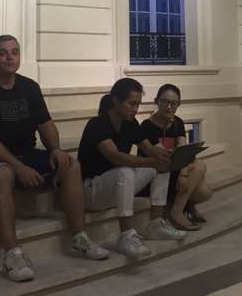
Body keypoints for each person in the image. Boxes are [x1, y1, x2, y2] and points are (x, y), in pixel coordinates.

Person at [0, 35, 108, 283]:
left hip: (25, 155)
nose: (9, 57)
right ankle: (12, 255)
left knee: (71, 164)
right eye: (2, 53)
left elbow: (45, 124)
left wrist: (56, 149)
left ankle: (80, 237)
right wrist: (18, 167)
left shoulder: (29, 87)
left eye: (14, 52)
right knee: (3, 173)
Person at [77, 78, 187, 260]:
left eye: (138, 104)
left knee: (161, 166)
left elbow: (150, 149)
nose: (136, 109)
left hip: (118, 187)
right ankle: (126, 235)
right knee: (126, 170)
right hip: (92, 191)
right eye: (132, 103)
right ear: (116, 101)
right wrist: (151, 161)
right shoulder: (97, 124)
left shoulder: (130, 123)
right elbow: (116, 157)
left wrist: (169, 156)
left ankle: (155, 224)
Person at [140, 84, 213, 230]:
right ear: (156, 101)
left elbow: (182, 150)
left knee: (203, 185)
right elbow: (164, 156)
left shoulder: (177, 122)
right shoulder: (146, 126)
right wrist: (182, 170)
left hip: (174, 171)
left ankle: (182, 207)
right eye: (164, 102)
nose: (169, 107)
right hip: (157, 175)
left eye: (174, 103)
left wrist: (183, 172)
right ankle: (178, 212)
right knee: (198, 172)